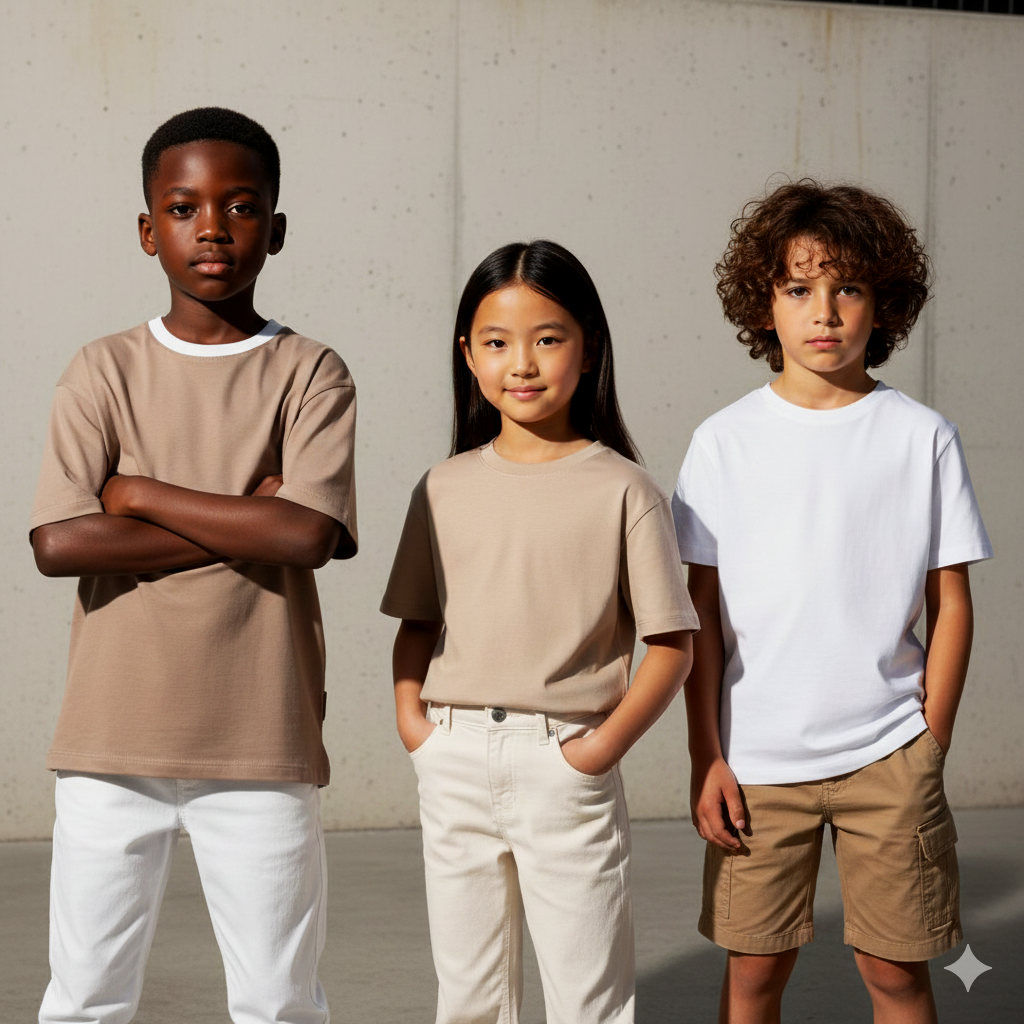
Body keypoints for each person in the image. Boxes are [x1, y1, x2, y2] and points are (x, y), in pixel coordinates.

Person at [29, 107, 357, 1024]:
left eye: (240, 206)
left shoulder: (310, 373)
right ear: (148, 230)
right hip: (109, 740)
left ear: (276, 230)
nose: (211, 227)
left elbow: (306, 540)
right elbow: (59, 543)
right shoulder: (101, 371)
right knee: (87, 996)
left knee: (279, 1002)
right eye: (183, 207)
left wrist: (137, 495)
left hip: (261, 738)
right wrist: (253, 513)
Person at [672, 179, 992, 1024]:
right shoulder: (723, 443)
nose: (825, 311)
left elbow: (950, 599)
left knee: (895, 975)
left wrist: (933, 738)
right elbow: (694, 620)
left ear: (882, 302)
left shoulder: (921, 436)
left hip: (890, 753)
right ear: (763, 304)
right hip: (755, 762)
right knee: (753, 976)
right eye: (799, 288)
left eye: (847, 286)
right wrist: (705, 753)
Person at [381, 240, 698, 1024]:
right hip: (450, 759)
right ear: (468, 355)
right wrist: (414, 726)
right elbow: (418, 622)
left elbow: (672, 645)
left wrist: (595, 753)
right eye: (496, 342)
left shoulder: (627, 489)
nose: (521, 363)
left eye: (547, 338)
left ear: (588, 348)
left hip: (566, 765)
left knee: (588, 1000)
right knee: (467, 998)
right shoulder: (441, 487)